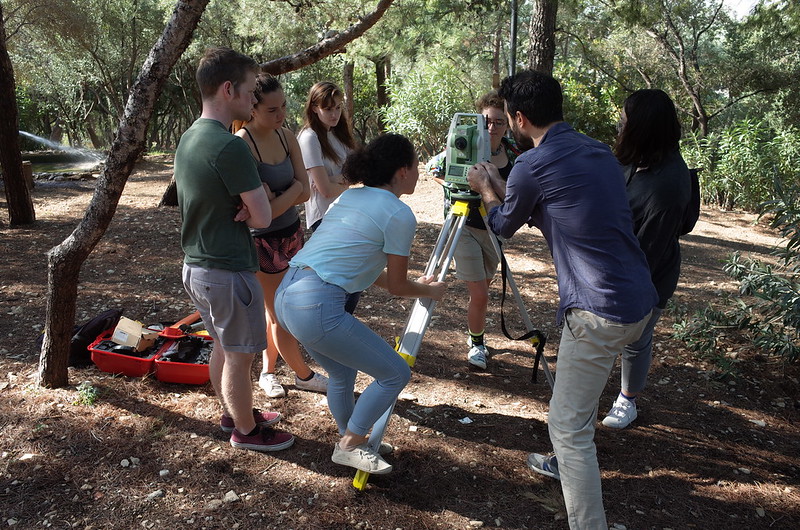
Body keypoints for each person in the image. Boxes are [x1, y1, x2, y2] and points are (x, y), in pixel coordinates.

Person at [467, 70, 658, 529]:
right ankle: (569, 473)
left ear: (519, 118)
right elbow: (563, 207)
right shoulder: (599, 151)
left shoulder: (533, 163)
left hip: (597, 312)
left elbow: (502, 225)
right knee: (579, 406)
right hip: (639, 301)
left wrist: (485, 189)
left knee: (567, 430)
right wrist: (504, 190)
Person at [274, 134, 446, 475]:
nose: (418, 173)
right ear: (401, 171)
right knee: (395, 374)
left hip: (287, 295)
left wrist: (418, 287)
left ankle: (351, 438)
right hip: (315, 306)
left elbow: (361, 268)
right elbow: (397, 286)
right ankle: (350, 444)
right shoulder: (398, 213)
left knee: (342, 372)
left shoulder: (350, 196)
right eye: (415, 166)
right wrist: (430, 291)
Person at [174, 47, 294, 453]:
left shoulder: (190, 137)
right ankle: (246, 431)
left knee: (225, 348)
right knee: (241, 356)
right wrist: (262, 199)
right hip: (227, 270)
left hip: (197, 266)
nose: (253, 98)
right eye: (248, 90)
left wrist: (249, 203)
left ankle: (234, 413)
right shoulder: (231, 146)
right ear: (228, 89)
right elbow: (262, 216)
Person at [601, 89, 693, 429]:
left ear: (643, 128)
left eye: (624, 121)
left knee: (636, 339)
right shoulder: (634, 158)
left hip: (646, 277)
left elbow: (646, 253)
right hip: (617, 265)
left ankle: (628, 400)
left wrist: (613, 286)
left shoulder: (666, 186)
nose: (619, 126)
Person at [234, 74, 329, 399]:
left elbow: (306, 193)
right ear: (253, 108)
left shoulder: (286, 136)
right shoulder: (243, 144)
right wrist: (291, 191)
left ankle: (268, 371)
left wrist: (277, 197)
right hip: (263, 242)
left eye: (284, 106)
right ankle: (303, 375)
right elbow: (265, 212)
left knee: (275, 311)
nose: (281, 114)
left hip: (292, 235)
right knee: (281, 314)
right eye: (272, 109)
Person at [427, 90, 521, 370]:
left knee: (482, 289)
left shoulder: (514, 152)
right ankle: (477, 344)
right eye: (487, 121)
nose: (492, 127)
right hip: (464, 224)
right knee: (480, 294)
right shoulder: (463, 143)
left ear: (508, 124)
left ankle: (475, 332)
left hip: (494, 228)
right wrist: (454, 184)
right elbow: (434, 168)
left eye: (499, 122)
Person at [298, 81, 356, 233]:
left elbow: (359, 171)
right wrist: (346, 183)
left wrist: (334, 179)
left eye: (338, 107)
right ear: (314, 108)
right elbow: (326, 191)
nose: (334, 114)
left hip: (345, 211)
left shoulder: (338, 134)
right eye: (328, 109)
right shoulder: (309, 138)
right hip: (324, 218)